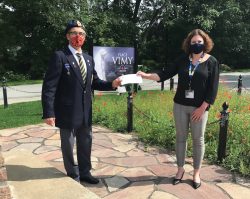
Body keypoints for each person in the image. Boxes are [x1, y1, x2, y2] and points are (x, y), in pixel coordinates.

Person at [137, 29, 219, 189]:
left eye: (199, 42)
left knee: (198, 140)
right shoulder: (183, 59)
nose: (196, 45)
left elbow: (213, 88)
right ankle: (180, 170)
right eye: (194, 42)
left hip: (199, 108)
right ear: (189, 44)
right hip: (180, 106)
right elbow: (164, 74)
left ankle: (196, 173)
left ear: (205, 43)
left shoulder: (212, 62)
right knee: (181, 138)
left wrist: (203, 108)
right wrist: (146, 75)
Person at [42, 20, 121, 184]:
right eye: (74, 33)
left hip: (86, 111)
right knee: (68, 146)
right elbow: (49, 86)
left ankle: (85, 172)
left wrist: (112, 84)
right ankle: (72, 174)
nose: (78, 36)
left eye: (81, 33)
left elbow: (95, 82)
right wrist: (49, 112)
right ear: (67, 36)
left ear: (84, 37)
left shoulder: (88, 59)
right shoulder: (60, 56)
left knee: (86, 143)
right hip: (67, 111)